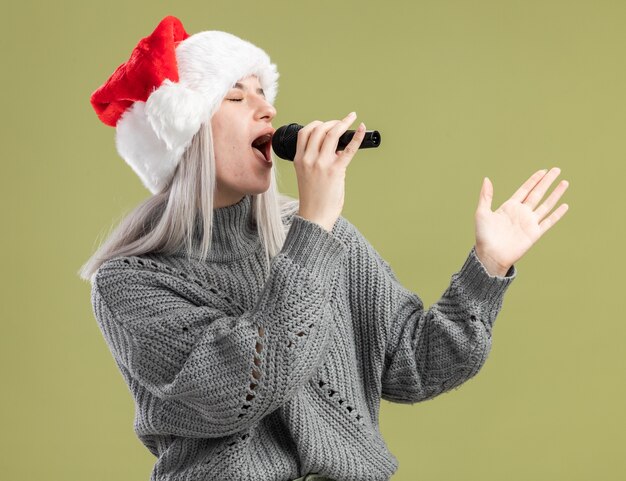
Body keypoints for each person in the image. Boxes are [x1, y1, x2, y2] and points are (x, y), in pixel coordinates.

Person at [79, 15, 570, 481]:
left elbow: (415, 365)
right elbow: (243, 388)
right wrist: (314, 228)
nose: (267, 109)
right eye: (234, 97)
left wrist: (488, 266)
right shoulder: (131, 283)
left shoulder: (321, 235)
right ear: (185, 136)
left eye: (264, 94)